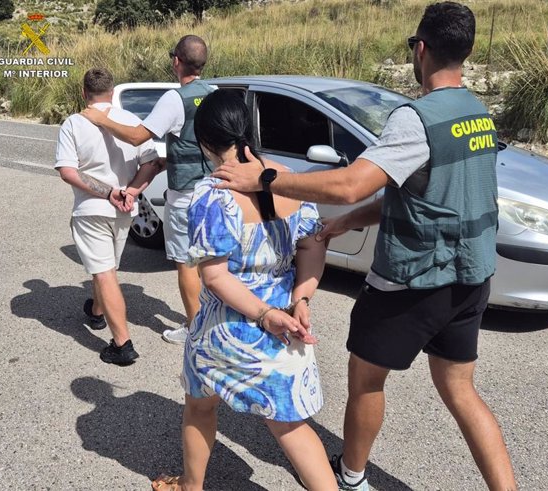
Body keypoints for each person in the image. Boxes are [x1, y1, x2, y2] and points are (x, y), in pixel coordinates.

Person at [211, 2, 517, 490]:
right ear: (467, 51)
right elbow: (429, 196)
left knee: (367, 379)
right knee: (460, 389)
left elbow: (352, 183)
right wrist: (347, 223)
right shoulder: (478, 114)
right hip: (471, 276)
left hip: (412, 280)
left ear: (420, 49)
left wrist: (265, 178)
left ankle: (350, 476)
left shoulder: (417, 119)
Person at [150, 90, 337, 491]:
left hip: (228, 325)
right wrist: (302, 298)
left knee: (200, 406)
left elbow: (214, 277)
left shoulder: (211, 194)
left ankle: (190, 485)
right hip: (285, 323)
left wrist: (264, 315)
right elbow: (312, 244)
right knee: (290, 424)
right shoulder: (287, 178)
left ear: (204, 143)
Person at [81, 35, 214, 345]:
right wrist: (173, 157)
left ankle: (194, 328)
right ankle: (212, 321)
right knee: (210, 261)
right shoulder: (215, 93)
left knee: (186, 264)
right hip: (214, 190)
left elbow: (138, 136)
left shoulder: (174, 98)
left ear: (176, 62)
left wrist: (101, 118)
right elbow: (200, 141)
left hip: (186, 194)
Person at [55, 67, 159, 365]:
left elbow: (67, 171)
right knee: (107, 267)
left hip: (92, 210)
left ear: (84, 92)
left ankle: (122, 344)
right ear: (112, 93)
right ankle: (97, 312)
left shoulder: (74, 123)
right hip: (125, 209)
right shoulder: (131, 121)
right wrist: (130, 191)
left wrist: (107, 193)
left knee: (104, 272)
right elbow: (151, 163)